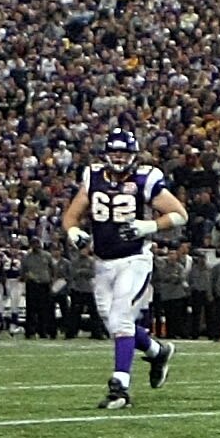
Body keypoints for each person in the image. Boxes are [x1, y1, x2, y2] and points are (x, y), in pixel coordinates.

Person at [62, 127, 185, 409]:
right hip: (103, 263)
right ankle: (157, 351)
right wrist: (73, 232)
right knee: (115, 324)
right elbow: (71, 216)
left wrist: (149, 226)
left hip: (134, 260)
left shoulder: (145, 179)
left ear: (133, 155)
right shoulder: (93, 176)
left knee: (121, 320)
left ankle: (120, 387)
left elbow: (180, 214)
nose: (119, 157)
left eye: (124, 152)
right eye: (114, 151)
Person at [21, 239, 59, 340]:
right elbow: (22, 271)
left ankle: (43, 331)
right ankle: (30, 332)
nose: (36, 246)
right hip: (32, 285)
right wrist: (26, 277)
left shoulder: (47, 255)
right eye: (33, 244)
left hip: (44, 285)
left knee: (44, 310)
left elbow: (54, 269)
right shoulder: (26, 257)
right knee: (31, 310)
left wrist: (53, 281)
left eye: (37, 243)